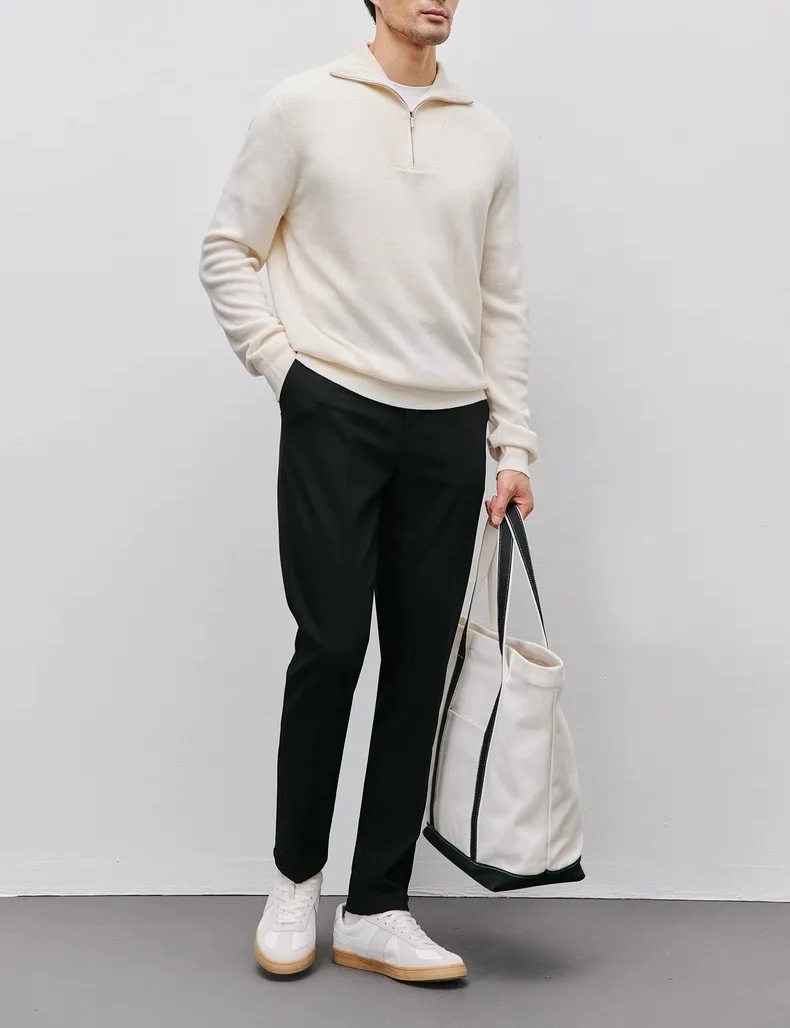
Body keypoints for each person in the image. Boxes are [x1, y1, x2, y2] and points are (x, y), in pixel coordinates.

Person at [198, 0, 538, 984]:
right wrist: (285, 371)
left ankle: (378, 905)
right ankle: (295, 879)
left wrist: (513, 443)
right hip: (335, 411)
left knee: (420, 664)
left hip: (449, 428)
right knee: (333, 644)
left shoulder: (488, 138)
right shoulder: (303, 105)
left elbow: (502, 303)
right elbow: (227, 247)